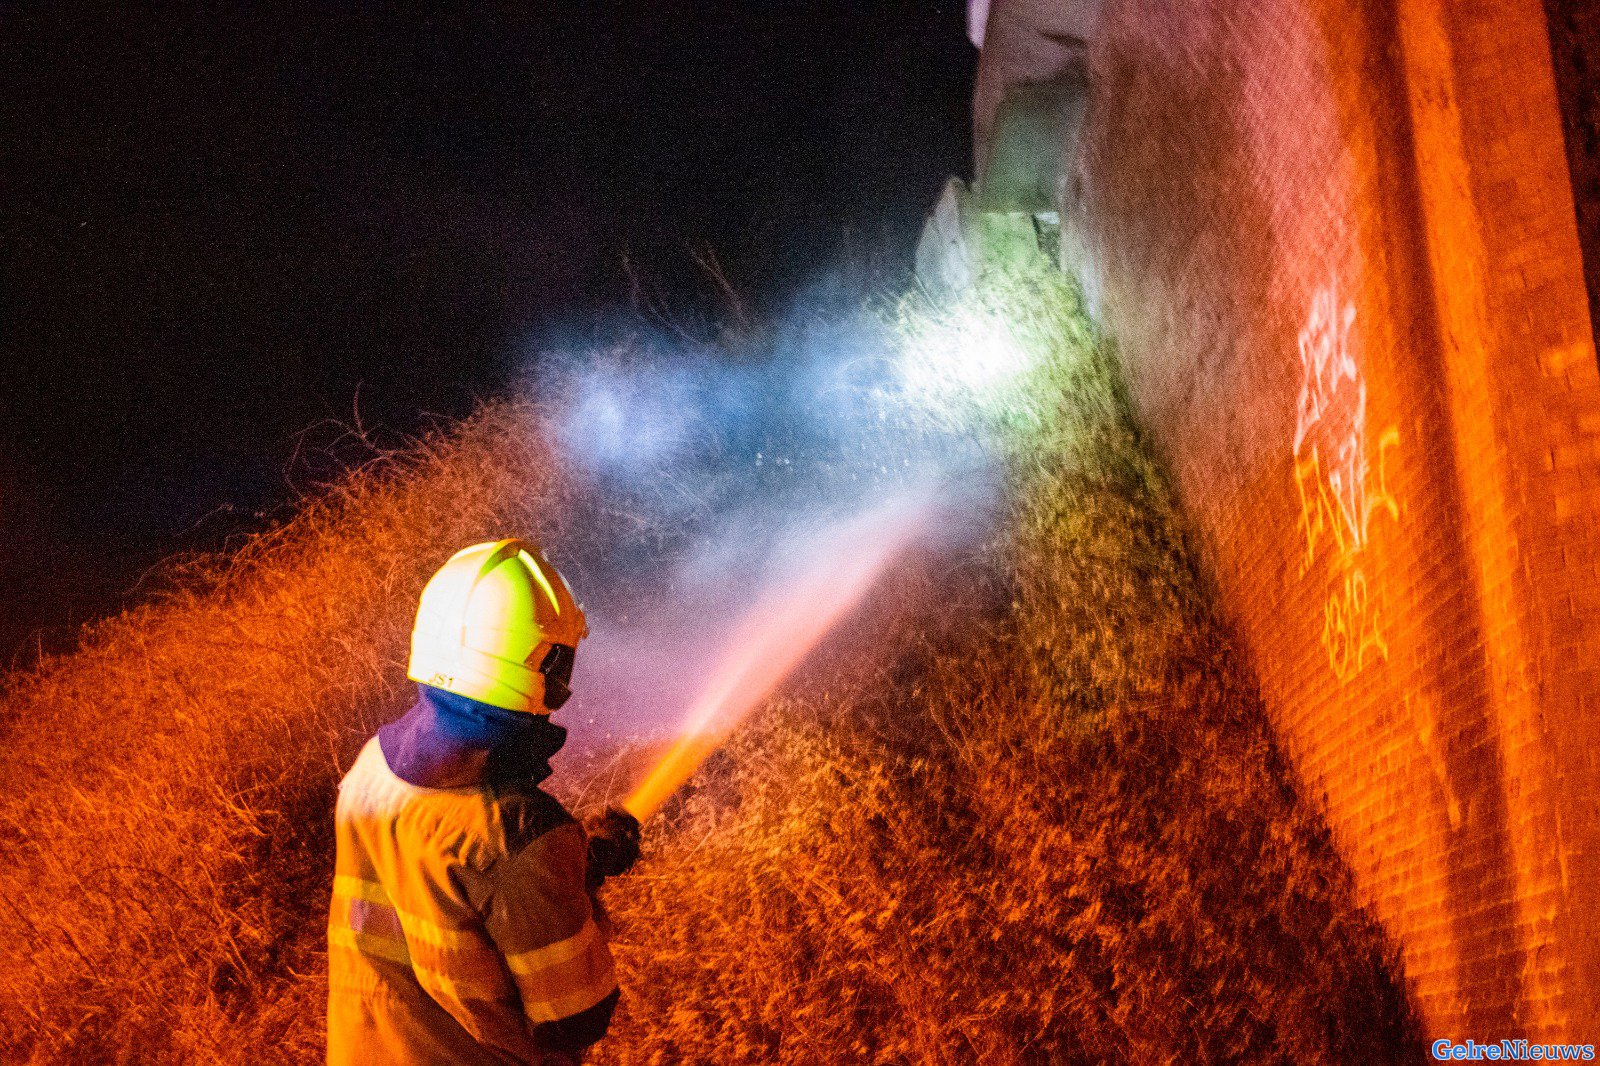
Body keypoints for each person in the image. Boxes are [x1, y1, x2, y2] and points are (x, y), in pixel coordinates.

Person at [327, 539, 642, 1065]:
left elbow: (442, 891)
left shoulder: (371, 767)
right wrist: (575, 889)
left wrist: (571, 865)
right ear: (537, 664)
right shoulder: (519, 834)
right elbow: (577, 1017)